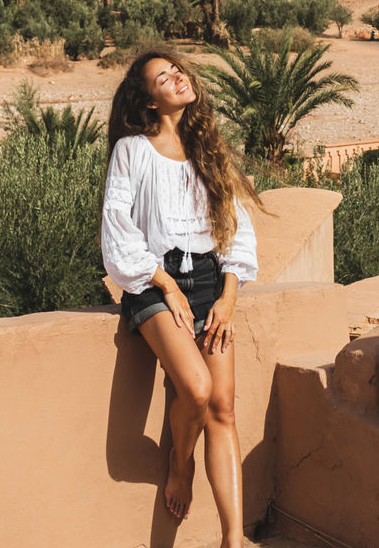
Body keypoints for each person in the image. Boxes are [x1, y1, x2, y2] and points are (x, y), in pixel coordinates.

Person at [101, 50, 261, 546]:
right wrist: (166, 284)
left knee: (223, 411)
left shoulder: (208, 151)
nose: (177, 77)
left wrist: (229, 295)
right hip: (153, 282)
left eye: (178, 70)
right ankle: (179, 463)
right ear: (149, 101)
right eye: (162, 77)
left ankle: (232, 538)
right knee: (196, 390)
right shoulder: (132, 149)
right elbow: (117, 230)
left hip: (213, 280)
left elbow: (237, 228)